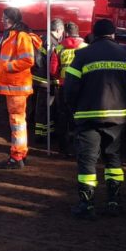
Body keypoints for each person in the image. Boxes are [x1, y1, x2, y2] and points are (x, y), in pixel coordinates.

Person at [64, 19, 126, 219]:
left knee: (87, 160)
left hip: (88, 117)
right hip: (118, 117)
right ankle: (114, 201)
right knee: (113, 158)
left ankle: (86, 205)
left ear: (94, 35)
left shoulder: (82, 55)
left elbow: (70, 88)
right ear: (113, 34)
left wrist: (73, 111)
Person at [0, 7, 42, 169]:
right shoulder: (16, 34)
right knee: (17, 122)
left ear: (12, 19)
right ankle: (19, 153)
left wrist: (7, 66)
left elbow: (28, 60)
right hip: (14, 86)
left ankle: (17, 156)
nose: (2, 20)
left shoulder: (21, 36)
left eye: (4, 17)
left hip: (16, 87)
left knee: (17, 122)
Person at [51, 21, 87, 156]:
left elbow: (53, 70)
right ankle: (80, 147)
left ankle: (63, 149)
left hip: (63, 87)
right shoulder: (86, 47)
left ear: (66, 33)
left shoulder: (59, 48)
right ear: (78, 32)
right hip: (81, 88)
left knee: (63, 117)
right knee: (80, 117)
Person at [31, 18, 65, 146]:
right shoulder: (53, 43)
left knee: (44, 107)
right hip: (46, 81)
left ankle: (47, 131)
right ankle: (41, 135)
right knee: (45, 108)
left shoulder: (43, 38)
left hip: (39, 78)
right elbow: (51, 64)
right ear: (58, 29)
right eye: (62, 31)